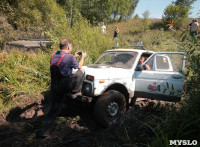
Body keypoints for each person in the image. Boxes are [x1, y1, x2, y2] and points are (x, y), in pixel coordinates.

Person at [39, 39, 87, 138]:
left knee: (53, 109)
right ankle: (76, 92)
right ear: (68, 47)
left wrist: (73, 57)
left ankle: (44, 133)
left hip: (55, 87)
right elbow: (79, 66)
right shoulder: (69, 57)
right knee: (81, 72)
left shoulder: (53, 56)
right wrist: (83, 57)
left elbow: (62, 64)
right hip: (65, 87)